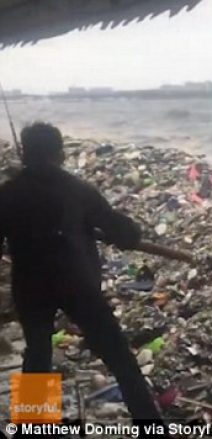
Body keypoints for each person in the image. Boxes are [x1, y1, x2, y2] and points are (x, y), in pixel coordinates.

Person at [0, 123, 166, 429]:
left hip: (30, 286)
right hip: (77, 283)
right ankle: (150, 426)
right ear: (60, 153)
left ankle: (34, 428)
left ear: (25, 152)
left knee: (38, 354)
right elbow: (126, 234)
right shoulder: (78, 190)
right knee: (119, 357)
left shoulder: (8, 193)